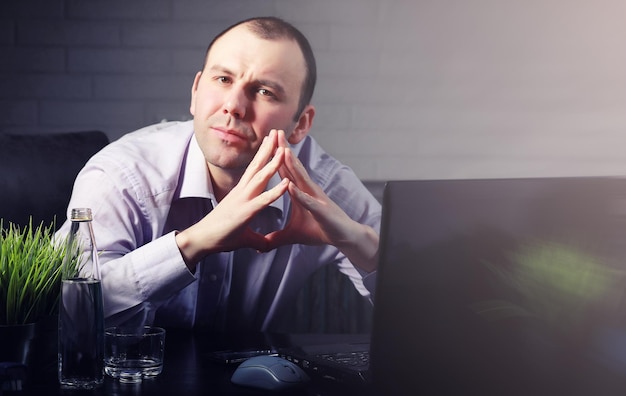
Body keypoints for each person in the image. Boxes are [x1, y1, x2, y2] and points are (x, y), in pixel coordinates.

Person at [58, 16, 381, 332]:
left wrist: (362, 245)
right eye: (224, 79)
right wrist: (192, 244)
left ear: (300, 125)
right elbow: (67, 310)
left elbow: (424, 317)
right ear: (196, 92)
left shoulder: (323, 187)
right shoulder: (123, 173)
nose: (234, 105)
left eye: (265, 91)